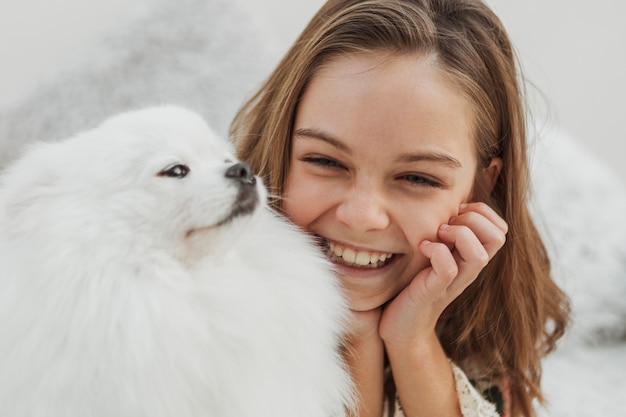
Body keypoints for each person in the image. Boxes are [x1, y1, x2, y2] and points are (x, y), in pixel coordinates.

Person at [230, 0, 570, 416]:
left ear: (481, 187)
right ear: (278, 149)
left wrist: (411, 340)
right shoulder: (209, 300)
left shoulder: (477, 315)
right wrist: (356, 340)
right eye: (325, 161)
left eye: (417, 179)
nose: (362, 216)